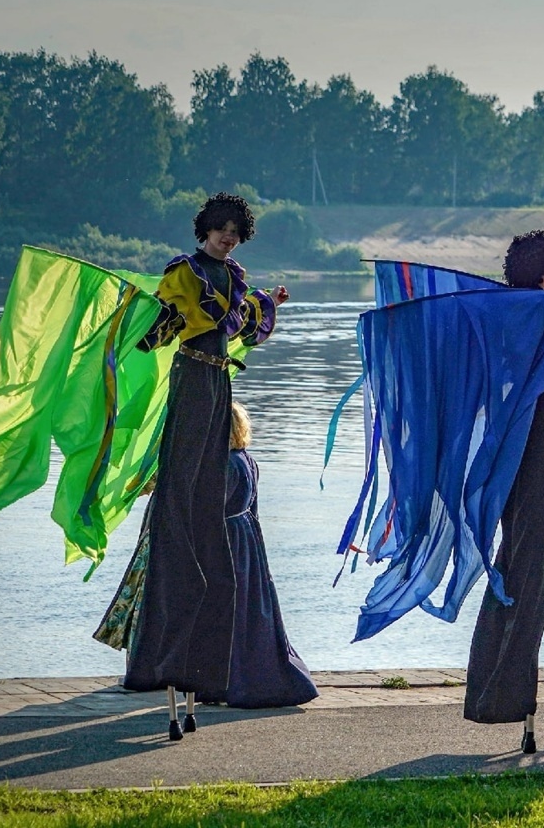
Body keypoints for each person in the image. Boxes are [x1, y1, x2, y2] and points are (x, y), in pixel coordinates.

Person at [118, 192, 288, 733]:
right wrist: (145, 319)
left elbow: (242, 327)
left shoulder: (235, 275)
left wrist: (270, 305)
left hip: (219, 378)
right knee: (184, 491)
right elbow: (160, 332)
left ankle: (207, 667)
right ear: (206, 229)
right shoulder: (184, 271)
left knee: (210, 491)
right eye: (222, 230)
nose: (228, 237)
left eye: (236, 231)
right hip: (191, 375)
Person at [464, 229, 544, 754]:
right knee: (534, 557)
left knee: (520, 548)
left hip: (502, 432)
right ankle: (506, 694)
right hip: (539, 428)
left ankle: (496, 691)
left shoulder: (495, 310)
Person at [195, 401, 318, 708]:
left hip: (228, 540)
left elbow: (211, 508)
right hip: (247, 538)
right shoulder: (246, 459)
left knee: (227, 609)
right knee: (249, 608)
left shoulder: (224, 464)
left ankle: (228, 682)